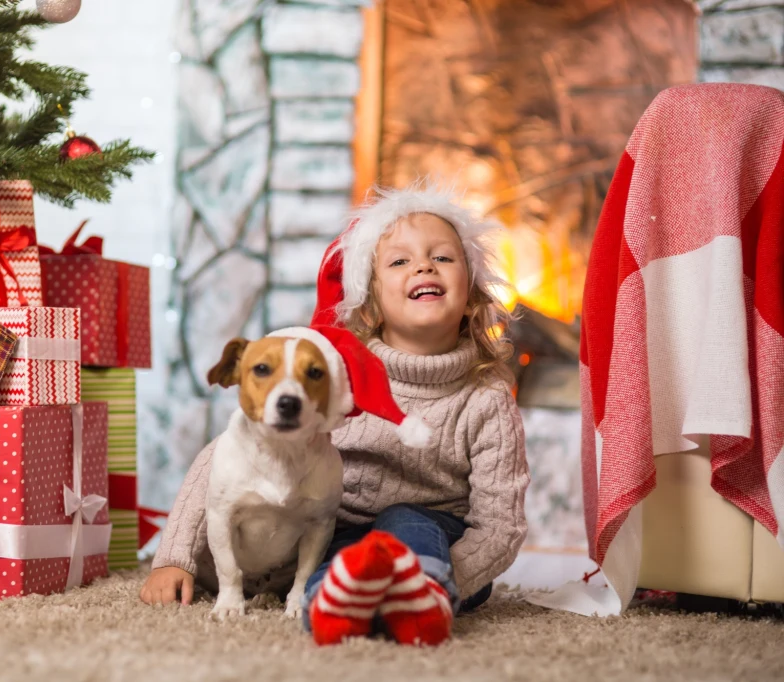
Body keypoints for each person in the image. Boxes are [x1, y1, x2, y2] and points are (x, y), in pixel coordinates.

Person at [141, 180, 529, 646]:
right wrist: (175, 556)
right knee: (332, 566)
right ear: (372, 303)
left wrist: (451, 582)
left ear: (471, 294)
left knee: (405, 519)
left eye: (442, 257)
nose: (424, 265)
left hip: (439, 546)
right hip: (341, 533)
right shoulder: (333, 377)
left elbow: (500, 527)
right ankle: (341, 601)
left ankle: (416, 596)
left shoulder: (485, 399)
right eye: (400, 261)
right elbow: (229, 453)